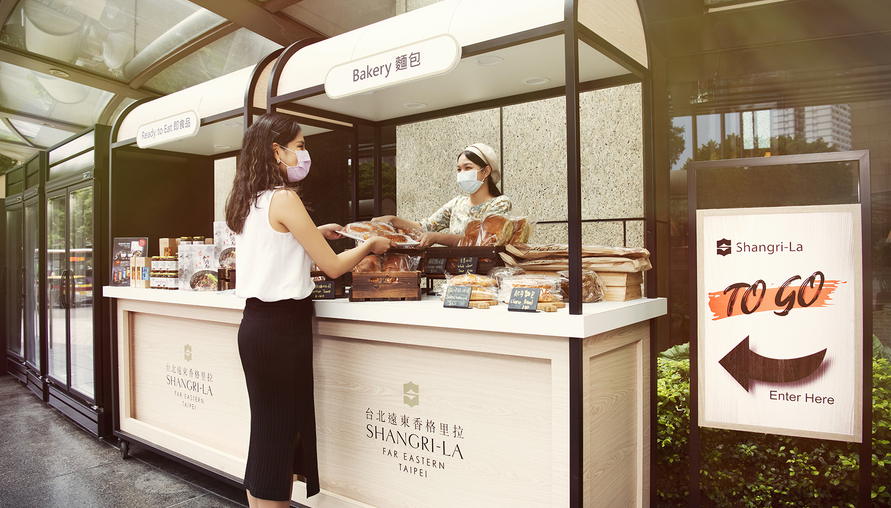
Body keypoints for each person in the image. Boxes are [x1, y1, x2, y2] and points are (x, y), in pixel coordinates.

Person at [225, 112, 391, 508]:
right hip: (283, 330)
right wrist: (369, 245)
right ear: (276, 150)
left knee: (268, 430)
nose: (305, 153)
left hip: (257, 326)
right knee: (279, 434)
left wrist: (317, 232)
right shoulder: (284, 198)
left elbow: (275, 244)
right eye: (299, 146)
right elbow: (332, 266)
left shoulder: (249, 199)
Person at [374, 143, 511, 247]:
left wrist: (437, 237)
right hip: (455, 274)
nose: (462, 173)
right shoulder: (457, 204)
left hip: (486, 276)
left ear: (486, 171)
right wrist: (393, 220)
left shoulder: (500, 203)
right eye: (459, 169)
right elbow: (426, 227)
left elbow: (483, 240)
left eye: (468, 168)